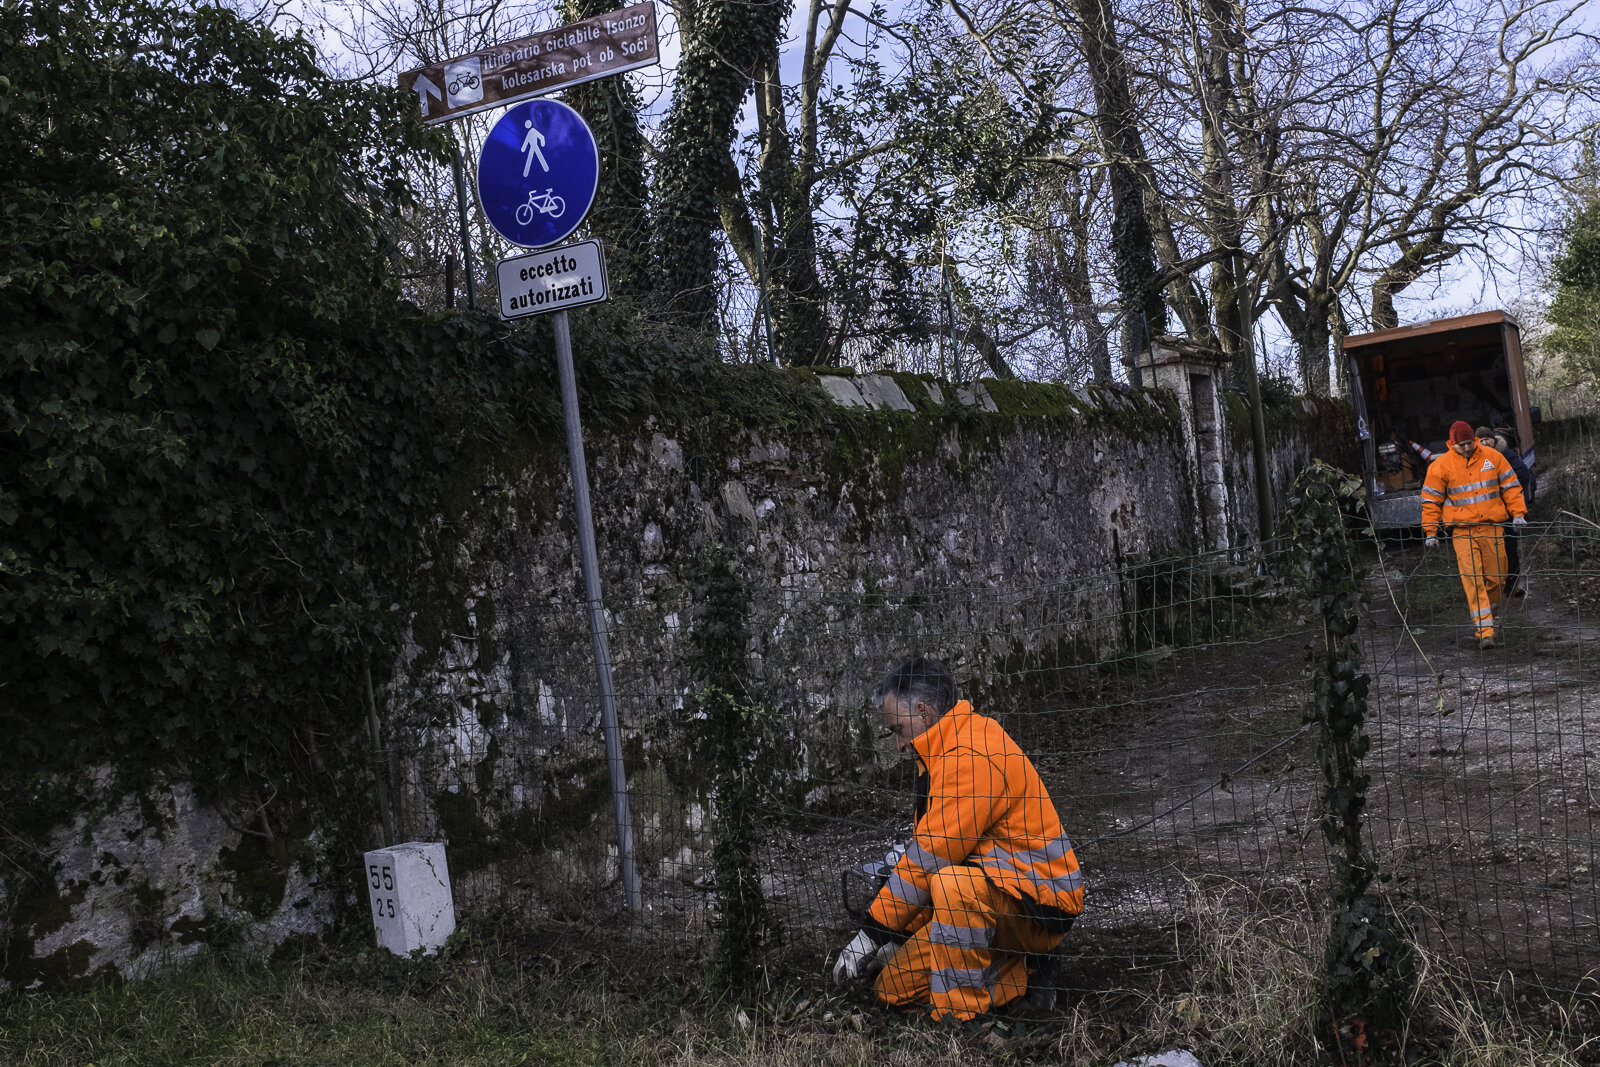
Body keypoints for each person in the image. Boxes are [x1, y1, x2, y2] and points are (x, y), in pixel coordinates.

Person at [832, 656, 1084, 1021]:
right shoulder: (943, 751)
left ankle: (960, 1019)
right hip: (996, 896)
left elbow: (931, 860)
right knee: (892, 989)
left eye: (898, 730)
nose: (898, 745)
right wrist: (900, 937)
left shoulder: (969, 756)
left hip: (1039, 907)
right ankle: (1017, 970)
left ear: (924, 712)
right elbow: (935, 856)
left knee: (951, 885)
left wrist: (870, 935)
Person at [1421, 421, 1527, 649]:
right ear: (1452, 444)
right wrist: (1430, 531)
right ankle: (1484, 631)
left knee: (1498, 578)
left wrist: (1518, 513)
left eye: (1469, 443)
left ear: (1475, 441)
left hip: (1492, 528)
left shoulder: (1492, 457)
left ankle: (1491, 614)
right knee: (1473, 581)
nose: (1467, 448)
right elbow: (1431, 500)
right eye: (1461, 445)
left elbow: (1511, 485)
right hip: (1462, 532)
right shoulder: (1441, 466)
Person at [1478, 426, 1533, 595]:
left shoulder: (1505, 454)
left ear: (1494, 439)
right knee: (1488, 552)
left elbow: (1522, 474)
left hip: (1506, 513)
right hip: (1486, 515)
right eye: (1480, 440)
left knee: (1509, 548)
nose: (1485, 442)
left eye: (1487, 439)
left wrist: (1507, 495)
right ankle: (1493, 584)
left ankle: (1513, 585)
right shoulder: (1475, 458)